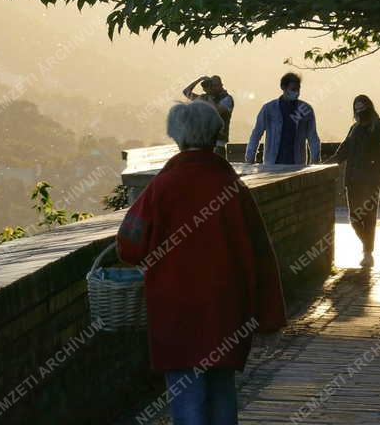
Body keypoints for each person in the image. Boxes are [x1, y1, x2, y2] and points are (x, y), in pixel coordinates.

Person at [117, 101, 287, 425]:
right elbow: (262, 258)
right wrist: (269, 317)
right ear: (214, 136)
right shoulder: (233, 189)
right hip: (227, 311)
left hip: (176, 311)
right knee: (222, 389)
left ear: (178, 138)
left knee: (187, 395)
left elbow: (129, 244)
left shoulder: (162, 187)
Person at [329, 94, 380, 268]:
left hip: (370, 180)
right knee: (354, 218)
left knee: (369, 217)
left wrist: (364, 121)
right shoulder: (353, 128)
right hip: (352, 180)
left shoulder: (377, 125)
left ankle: (368, 253)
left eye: (363, 106)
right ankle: (366, 246)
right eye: (357, 107)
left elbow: (374, 143)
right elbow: (343, 150)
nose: (360, 109)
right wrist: (328, 163)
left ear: (369, 106)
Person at [244, 72, 320, 165]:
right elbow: (256, 134)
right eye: (293, 89)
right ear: (283, 87)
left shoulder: (305, 109)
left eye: (298, 89)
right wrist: (250, 158)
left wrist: (315, 160)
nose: (296, 92)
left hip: (297, 164)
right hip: (272, 165)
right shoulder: (269, 109)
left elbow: (312, 137)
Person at [183, 75, 235, 158]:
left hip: (218, 142)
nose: (212, 88)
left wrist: (209, 96)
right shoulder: (205, 97)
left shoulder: (227, 99)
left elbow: (216, 111)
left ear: (220, 85)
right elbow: (186, 92)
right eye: (211, 85)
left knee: (217, 168)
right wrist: (199, 80)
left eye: (214, 85)